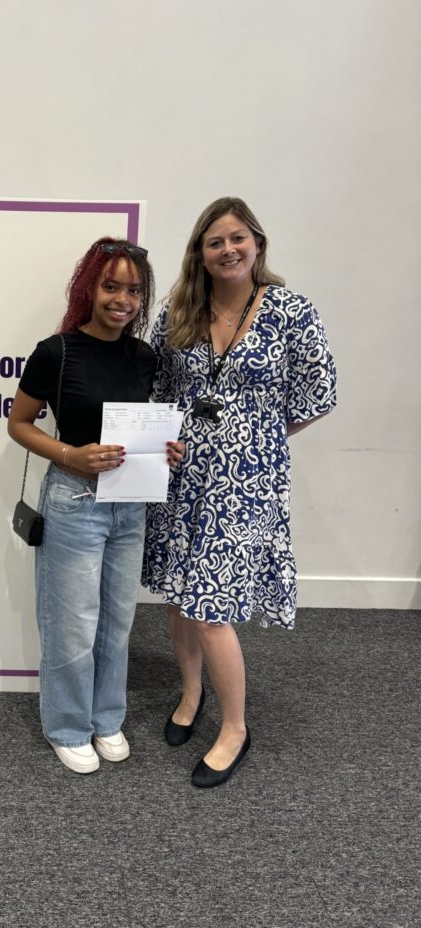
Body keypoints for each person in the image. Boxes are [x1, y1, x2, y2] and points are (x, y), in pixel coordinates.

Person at [143, 197, 337, 787]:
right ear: (199, 253)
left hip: (246, 481)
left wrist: (256, 436)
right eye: (214, 241)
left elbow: (319, 392)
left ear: (257, 242)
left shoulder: (290, 311)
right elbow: (154, 385)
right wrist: (165, 436)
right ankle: (191, 693)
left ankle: (235, 728)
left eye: (237, 238)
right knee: (181, 595)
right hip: (183, 474)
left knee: (211, 607)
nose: (228, 249)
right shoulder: (176, 311)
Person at [8, 238, 183, 774]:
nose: (123, 300)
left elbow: (137, 428)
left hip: (130, 504)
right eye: (112, 287)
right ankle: (66, 724)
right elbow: (18, 423)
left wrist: (166, 448)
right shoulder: (55, 352)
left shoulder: (145, 357)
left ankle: (107, 718)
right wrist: (69, 454)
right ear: (90, 288)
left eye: (134, 290)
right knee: (73, 623)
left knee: (116, 622)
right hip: (75, 500)